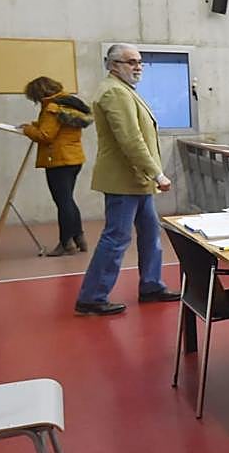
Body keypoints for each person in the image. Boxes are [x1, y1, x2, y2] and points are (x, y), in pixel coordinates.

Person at [75, 44, 178, 315]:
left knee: (150, 232)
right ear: (112, 65)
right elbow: (131, 140)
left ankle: (151, 285)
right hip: (125, 179)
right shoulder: (114, 92)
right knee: (117, 237)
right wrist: (157, 173)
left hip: (136, 180)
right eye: (130, 61)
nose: (137, 66)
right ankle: (92, 297)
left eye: (139, 61)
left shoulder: (123, 90)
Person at [21, 76, 93, 256]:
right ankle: (79, 238)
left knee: (63, 202)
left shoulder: (51, 108)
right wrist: (35, 125)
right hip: (73, 159)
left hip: (58, 160)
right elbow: (59, 128)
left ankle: (65, 242)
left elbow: (46, 136)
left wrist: (26, 130)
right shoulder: (67, 103)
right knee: (68, 200)